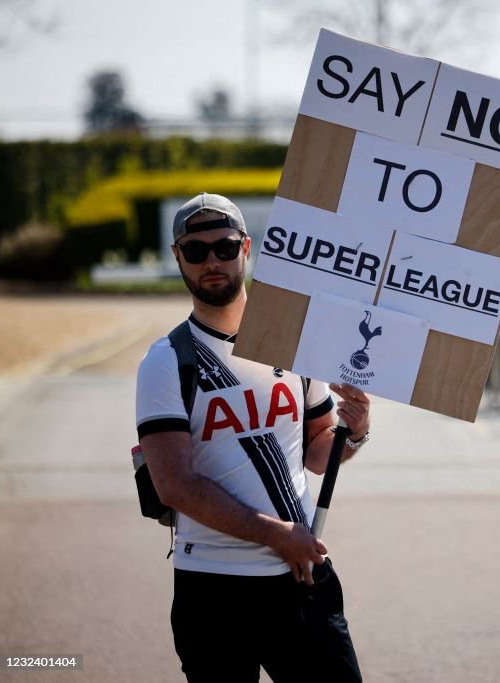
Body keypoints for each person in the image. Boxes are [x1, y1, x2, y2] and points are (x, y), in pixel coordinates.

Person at [136, 192, 368, 682]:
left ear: (246, 249)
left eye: (223, 247)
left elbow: (319, 449)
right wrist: (277, 535)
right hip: (212, 591)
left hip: (301, 577)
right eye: (195, 252)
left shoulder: (294, 340)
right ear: (178, 257)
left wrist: (356, 431)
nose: (211, 261)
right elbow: (173, 485)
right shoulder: (164, 361)